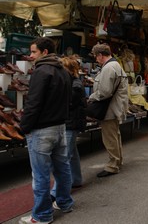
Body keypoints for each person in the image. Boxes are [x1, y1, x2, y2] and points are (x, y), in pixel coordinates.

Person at [19, 37, 74, 224]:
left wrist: (24, 126)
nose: (30, 55)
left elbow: (33, 103)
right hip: (59, 127)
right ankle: (65, 202)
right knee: (62, 169)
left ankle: (42, 215)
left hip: (42, 129)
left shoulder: (41, 71)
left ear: (44, 52)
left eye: (33, 51)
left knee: (41, 175)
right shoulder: (64, 71)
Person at [89, 43, 129, 177]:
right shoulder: (116, 65)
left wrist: (91, 97)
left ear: (100, 55)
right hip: (115, 107)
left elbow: (105, 91)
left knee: (110, 138)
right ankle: (118, 161)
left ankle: (113, 165)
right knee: (114, 136)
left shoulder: (109, 68)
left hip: (109, 109)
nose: (95, 59)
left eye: (96, 56)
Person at [50, 56, 87, 201]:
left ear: (69, 70)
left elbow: (68, 104)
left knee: (64, 156)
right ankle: (76, 179)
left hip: (71, 123)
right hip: (71, 122)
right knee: (72, 153)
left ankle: (56, 192)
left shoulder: (75, 85)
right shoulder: (73, 82)